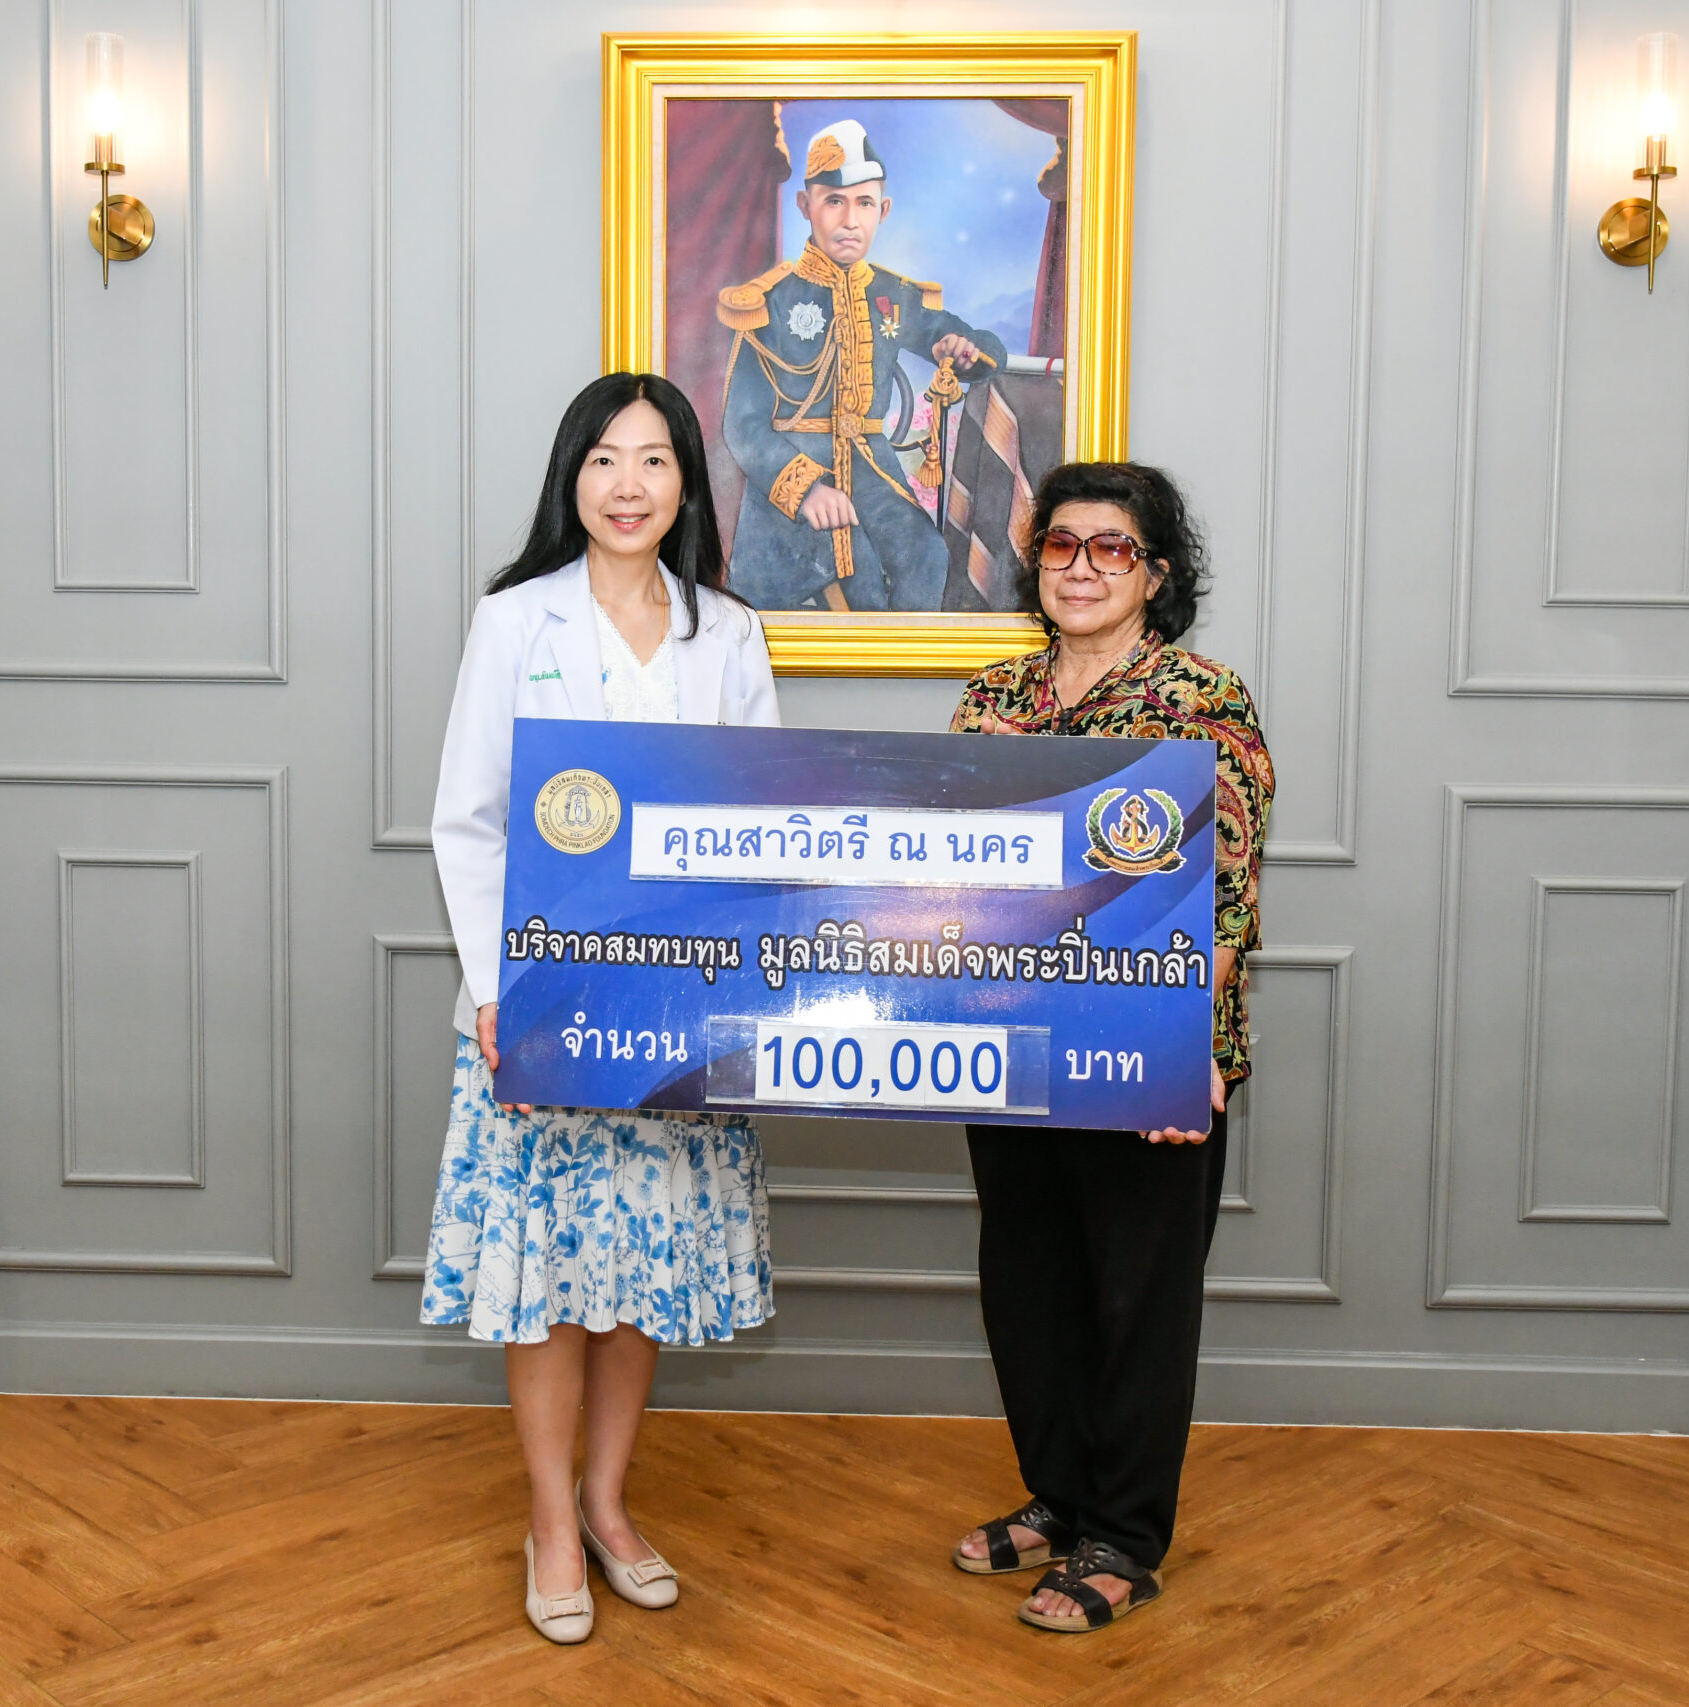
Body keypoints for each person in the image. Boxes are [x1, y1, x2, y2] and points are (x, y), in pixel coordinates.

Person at [425, 372, 781, 1645]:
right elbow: (468, 819)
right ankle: (549, 1523)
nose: (628, 486)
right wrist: (497, 992)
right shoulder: (515, 620)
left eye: (654, 461)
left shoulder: (726, 633)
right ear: (571, 477)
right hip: (540, 1008)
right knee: (549, 1279)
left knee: (641, 1276)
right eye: (603, 460)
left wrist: (741, 994)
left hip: (677, 1015)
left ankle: (611, 1504)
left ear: (688, 482)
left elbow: (764, 826)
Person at [945, 461, 1274, 1634]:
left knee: (1136, 1303)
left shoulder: (1201, 699)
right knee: (1029, 1291)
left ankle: (1124, 1540)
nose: (1080, 567)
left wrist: (1178, 1055)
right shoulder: (991, 701)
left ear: (1155, 573)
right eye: (1060, 544)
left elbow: (1225, 899)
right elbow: (950, 884)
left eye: (1111, 548)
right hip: (1011, 1047)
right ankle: (1061, 1497)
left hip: (1147, 1059)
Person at [716, 117, 1009, 612]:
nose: (850, 220)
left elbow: (978, 345)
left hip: (873, 472)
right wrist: (807, 490)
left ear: (883, 210)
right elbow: (742, 426)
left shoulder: (893, 295)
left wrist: (963, 350)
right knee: (863, 585)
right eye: (834, 201)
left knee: (926, 556)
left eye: (865, 203)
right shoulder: (770, 301)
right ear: (805, 205)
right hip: (791, 484)